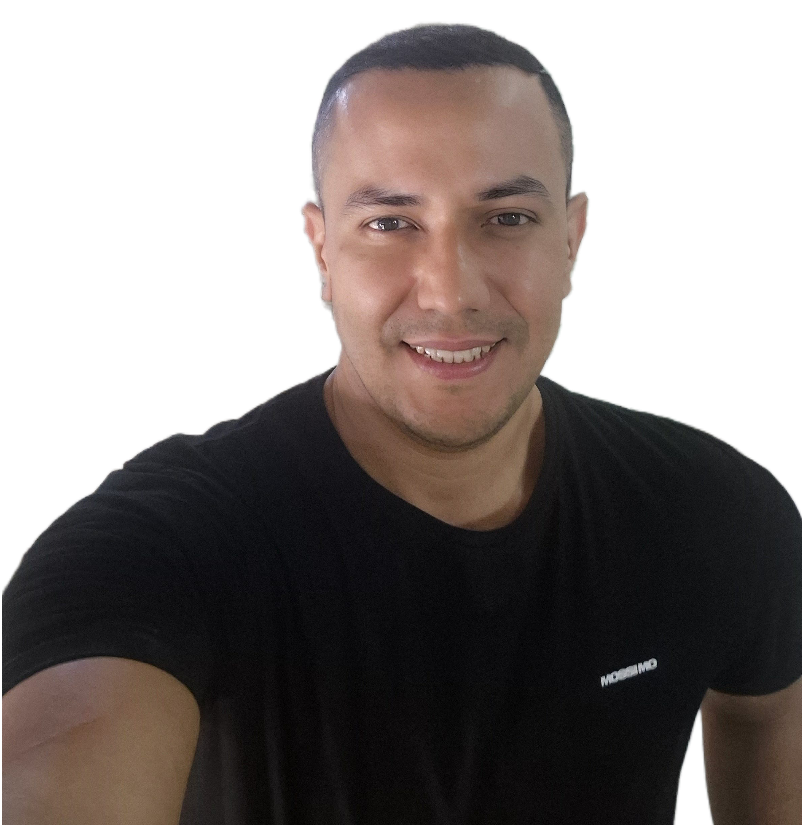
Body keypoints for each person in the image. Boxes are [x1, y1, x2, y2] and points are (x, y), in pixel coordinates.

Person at [3, 21, 801, 824]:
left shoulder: (717, 512)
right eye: (390, 223)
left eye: (507, 218)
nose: (450, 293)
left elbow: (769, 714)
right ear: (322, 250)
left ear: (572, 238)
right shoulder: (163, 544)